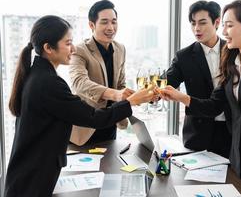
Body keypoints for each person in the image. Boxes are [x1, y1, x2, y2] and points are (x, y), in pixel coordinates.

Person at [4, 15, 153, 197]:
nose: (73, 49)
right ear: (48, 48)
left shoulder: (36, 74)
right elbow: (93, 117)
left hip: (28, 175)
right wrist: (131, 102)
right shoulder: (49, 83)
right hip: (32, 182)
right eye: (68, 43)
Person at [161, 0, 241, 196]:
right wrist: (181, 97)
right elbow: (214, 105)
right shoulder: (231, 60)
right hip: (239, 161)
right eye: (224, 25)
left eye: (229, 26)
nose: (223, 32)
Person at [166, 0, 231, 157]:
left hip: (230, 131)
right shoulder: (184, 56)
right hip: (198, 134)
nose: (197, 29)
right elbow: (167, 82)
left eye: (202, 23)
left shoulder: (233, 50)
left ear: (216, 22)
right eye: (193, 23)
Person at [69, 0, 133, 145]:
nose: (111, 27)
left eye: (114, 22)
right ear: (92, 25)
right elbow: (79, 83)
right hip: (86, 126)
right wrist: (115, 94)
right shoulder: (79, 50)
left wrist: (132, 94)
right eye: (104, 22)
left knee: (111, 165)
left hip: (111, 122)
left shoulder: (120, 49)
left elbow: (120, 83)